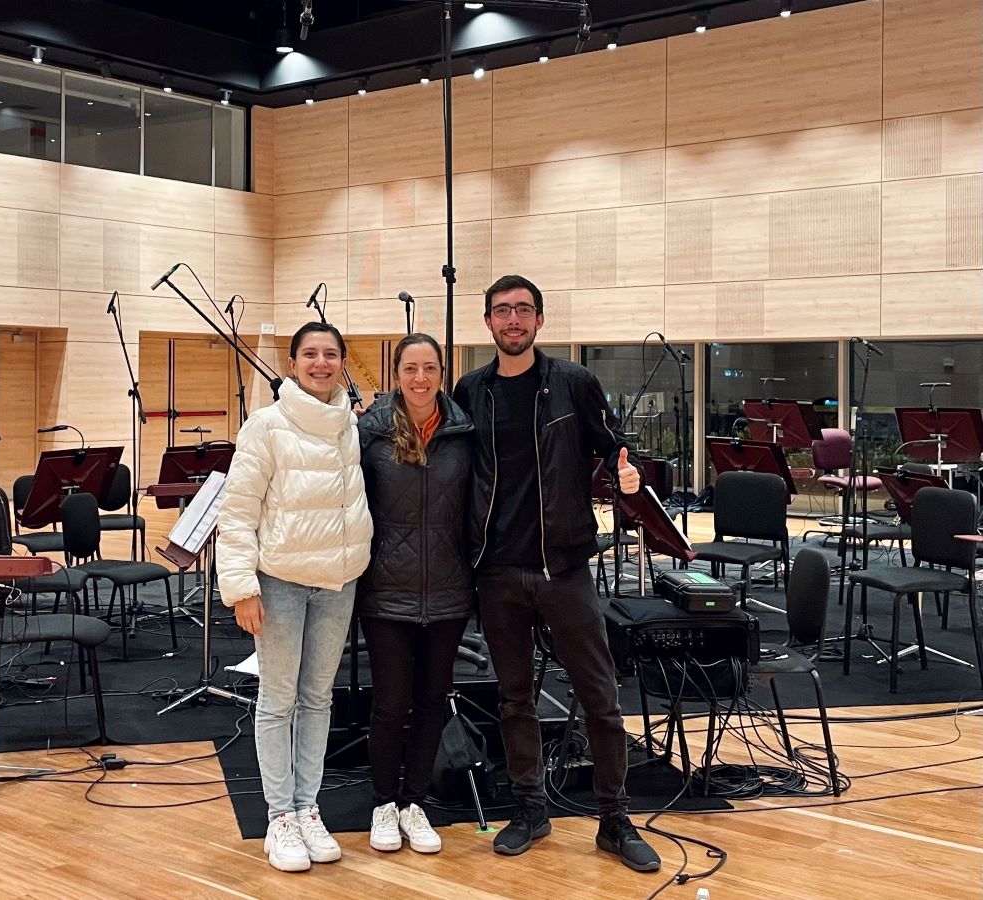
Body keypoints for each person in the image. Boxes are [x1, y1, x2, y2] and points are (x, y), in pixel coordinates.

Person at [451, 274, 662, 873]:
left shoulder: (572, 383)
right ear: (487, 322)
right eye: (502, 311)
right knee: (514, 699)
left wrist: (629, 477)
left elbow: (615, 448)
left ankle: (614, 821)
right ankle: (530, 809)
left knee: (598, 694)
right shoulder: (471, 390)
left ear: (540, 321)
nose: (512, 320)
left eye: (523, 310)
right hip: (496, 572)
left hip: (564, 566)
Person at [216, 322, 373, 873]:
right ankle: (279, 816)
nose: (322, 363)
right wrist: (240, 587)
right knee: (277, 700)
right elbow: (236, 512)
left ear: (342, 363)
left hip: (338, 581)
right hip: (280, 581)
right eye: (311, 354)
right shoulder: (265, 425)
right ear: (293, 362)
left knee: (318, 699)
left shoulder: (349, 427)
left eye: (331, 354)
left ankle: (309, 808)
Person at [356, 333, 476, 855]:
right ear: (397, 373)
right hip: (387, 591)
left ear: (442, 373)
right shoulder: (371, 432)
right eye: (410, 368)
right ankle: (384, 803)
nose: (420, 378)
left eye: (429, 368)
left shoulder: (465, 432)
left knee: (432, 703)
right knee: (390, 705)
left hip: (449, 590)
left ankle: (415, 803)